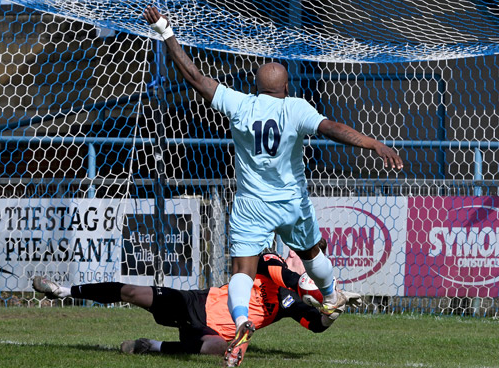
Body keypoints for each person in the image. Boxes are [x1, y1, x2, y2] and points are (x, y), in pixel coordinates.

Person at [143, 5, 403, 367]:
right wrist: (373, 144)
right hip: (291, 203)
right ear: (286, 87)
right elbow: (332, 129)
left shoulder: (241, 104)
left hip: (251, 203)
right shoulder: (297, 108)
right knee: (312, 255)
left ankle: (241, 321)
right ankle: (329, 295)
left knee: (242, 272)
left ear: (257, 87)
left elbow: (196, 78)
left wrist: (166, 31)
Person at [32, 252, 351, 358]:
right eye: (297, 255)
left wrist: (332, 312)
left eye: (302, 258)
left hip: (210, 330)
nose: (296, 257)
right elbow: (277, 269)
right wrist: (305, 284)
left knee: (218, 345)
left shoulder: (289, 304)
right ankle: (62, 290)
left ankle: (152, 347)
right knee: (132, 292)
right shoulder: (269, 263)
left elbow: (315, 325)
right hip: (194, 302)